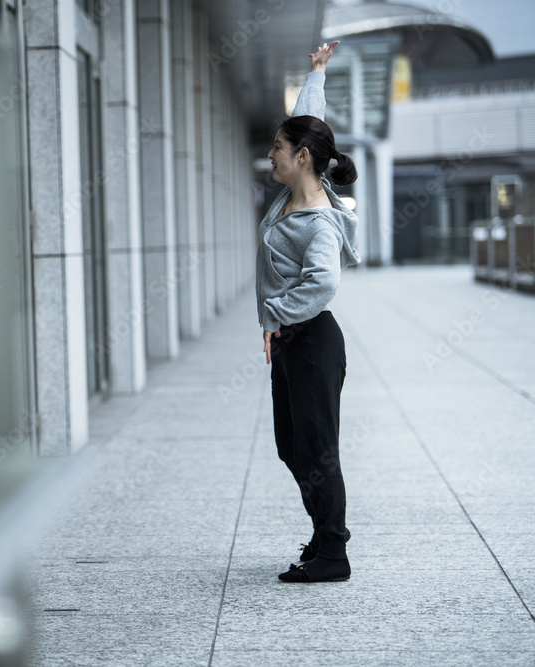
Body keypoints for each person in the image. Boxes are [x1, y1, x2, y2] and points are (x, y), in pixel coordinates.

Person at [255, 41, 361, 583]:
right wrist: (316, 72)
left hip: (312, 338)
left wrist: (275, 313)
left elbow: (323, 281)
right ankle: (323, 536)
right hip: (295, 338)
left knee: (316, 448)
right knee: (292, 444)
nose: (270, 154)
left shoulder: (317, 219)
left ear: (300, 158)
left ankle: (332, 554)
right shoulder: (290, 196)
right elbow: (310, 121)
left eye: (277, 147)